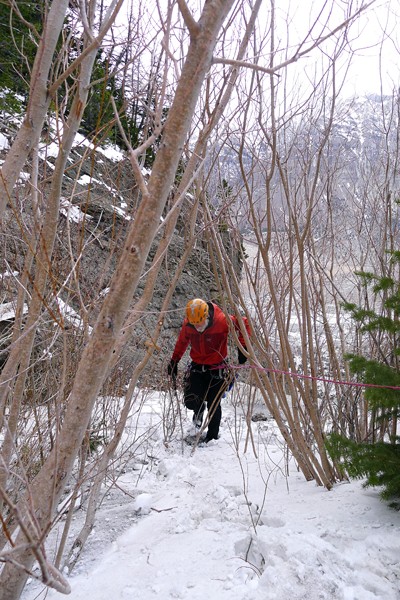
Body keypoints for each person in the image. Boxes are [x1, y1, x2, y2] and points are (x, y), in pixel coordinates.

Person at [167, 298, 250, 444]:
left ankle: (212, 437)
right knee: (191, 400)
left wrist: (243, 349)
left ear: (206, 316)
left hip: (217, 367)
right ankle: (198, 411)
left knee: (214, 404)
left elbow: (243, 323)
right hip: (197, 366)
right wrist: (174, 360)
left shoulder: (222, 320)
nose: (197, 326)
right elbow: (182, 341)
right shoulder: (189, 324)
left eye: (199, 323)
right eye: (195, 324)